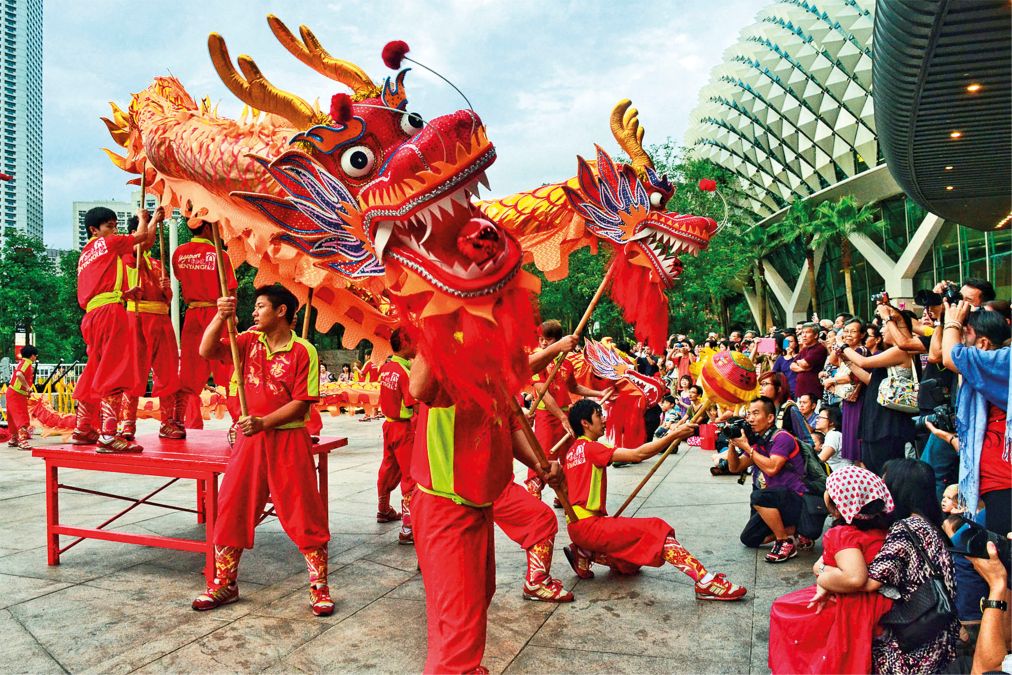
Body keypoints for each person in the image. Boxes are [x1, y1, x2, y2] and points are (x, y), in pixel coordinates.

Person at [191, 285, 332, 616]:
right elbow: (206, 350)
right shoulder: (247, 340)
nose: (254, 312)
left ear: (281, 311)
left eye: (261, 306)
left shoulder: (304, 351)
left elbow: (301, 405)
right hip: (250, 440)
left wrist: (265, 422)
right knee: (232, 506)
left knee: (303, 510)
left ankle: (319, 588)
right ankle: (224, 583)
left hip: (287, 440)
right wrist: (220, 315)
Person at [561, 399, 747, 601]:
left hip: (576, 526)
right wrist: (673, 434)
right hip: (590, 525)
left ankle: (585, 552)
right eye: (599, 415)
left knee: (629, 564)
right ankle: (705, 581)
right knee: (656, 529)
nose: (604, 419)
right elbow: (637, 454)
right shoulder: (592, 448)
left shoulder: (572, 451)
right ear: (585, 423)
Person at [768, 466, 895, 674]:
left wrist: (822, 578)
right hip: (879, 600)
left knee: (783, 609)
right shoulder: (881, 528)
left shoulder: (843, 534)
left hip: (854, 604)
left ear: (837, 506)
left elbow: (854, 578)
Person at [72, 206, 156, 453]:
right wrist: (144, 219)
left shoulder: (85, 253)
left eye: (115, 226)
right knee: (116, 371)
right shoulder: (108, 244)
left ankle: (83, 428)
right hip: (110, 314)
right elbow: (142, 239)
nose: (114, 230)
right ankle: (108, 435)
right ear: (93, 229)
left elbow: (99, 286)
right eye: (109, 226)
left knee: (95, 370)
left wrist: (124, 293)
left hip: (92, 316)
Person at [864, 458, 959, 673]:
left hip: (914, 643)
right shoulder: (931, 525)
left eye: (884, 485)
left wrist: (824, 571)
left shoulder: (906, 528)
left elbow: (869, 581)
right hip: (939, 634)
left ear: (898, 488)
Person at [940, 301, 1010, 541]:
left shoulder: (1004, 360)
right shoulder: (994, 364)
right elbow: (940, 353)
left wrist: (952, 322)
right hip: (997, 479)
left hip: (1005, 479)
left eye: (965, 335)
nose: (959, 340)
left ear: (983, 343)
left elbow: (950, 357)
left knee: (1003, 552)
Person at [526, 320, 609, 500]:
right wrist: (561, 417)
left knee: (568, 455)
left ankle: (563, 494)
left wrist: (599, 392)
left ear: (557, 340)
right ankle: (534, 496)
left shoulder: (567, 363)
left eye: (546, 340)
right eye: (540, 339)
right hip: (546, 417)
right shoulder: (538, 361)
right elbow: (542, 392)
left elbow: (574, 388)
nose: (542, 343)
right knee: (542, 456)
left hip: (565, 415)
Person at [119, 216, 184, 441]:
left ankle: (167, 423)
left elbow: (167, 299)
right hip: (137, 317)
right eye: (144, 229)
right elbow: (140, 244)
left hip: (161, 319)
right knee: (135, 372)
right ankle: (128, 423)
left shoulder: (157, 263)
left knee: (167, 371)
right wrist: (153, 220)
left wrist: (166, 290)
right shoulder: (128, 255)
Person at [728, 397, 813, 562]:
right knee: (749, 539)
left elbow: (772, 468)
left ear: (770, 418)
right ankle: (792, 531)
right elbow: (735, 467)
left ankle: (784, 541)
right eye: (748, 414)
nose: (750, 418)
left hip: (798, 499)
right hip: (776, 501)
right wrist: (733, 443)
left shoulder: (782, 437)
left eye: (756, 413)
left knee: (758, 497)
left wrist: (746, 447)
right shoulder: (759, 442)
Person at [172, 220, 238, 429]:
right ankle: (239, 421)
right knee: (230, 368)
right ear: (209, 228)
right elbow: (231, 289)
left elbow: (180, 277)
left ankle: (190, 424)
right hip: (217, 313)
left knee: (190, 372)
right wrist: (232, 315)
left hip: (192, 315)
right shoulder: (220, 255)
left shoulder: (179, 253)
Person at [840, 306, 918, 475]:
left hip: (889, 422)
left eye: (885, 326)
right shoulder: (889, 352)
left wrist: (843, 346)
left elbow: (864, 363)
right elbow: (870, 379)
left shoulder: (901, 351)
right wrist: (848, 362)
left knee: (886, 470)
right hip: (875, 419)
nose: (882, 330)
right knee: (872, 466)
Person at [376, 328, 417, 544]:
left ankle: (383, 509)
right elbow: (415, 405)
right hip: (404, 428)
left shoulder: (386, 368)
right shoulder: (406, 373)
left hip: (388, 426)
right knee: (410, 475)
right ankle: (408, 529)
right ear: (405, 343)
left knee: (388, 468)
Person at [821, 317, 866, 467]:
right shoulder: (847, 350)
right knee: (852, 445)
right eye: (846, 331)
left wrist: (833, 381)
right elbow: (833, 361)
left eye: (853, 331)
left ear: (862, 334)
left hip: (859, 400)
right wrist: (838, 342)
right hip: (848, 400)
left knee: (858, 446)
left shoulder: (861, 351)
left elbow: (853, 376)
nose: (849, 334)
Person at [5, 345, 38, 450]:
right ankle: (22, 441)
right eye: (35, 355)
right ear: (32, 356)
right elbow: (19, 374)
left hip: (12, 392)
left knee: (12, 416)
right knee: (21, 416)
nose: (36, 357)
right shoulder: (26, 363)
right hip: (16, 394)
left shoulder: (22, 362)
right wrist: (28, 387)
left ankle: (14, 439)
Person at [790, 323, 828, 401]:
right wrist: (803, 369)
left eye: (807, 332)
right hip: (800, 390)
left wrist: (800, 363)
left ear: (816, 335)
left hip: (812, 391)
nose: (804, 335)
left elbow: (805, 363)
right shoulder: (804, 349)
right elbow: (792, 366)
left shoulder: (819, 348)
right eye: (802, 333)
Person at [814, 405, 847, 470]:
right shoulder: (833, 434)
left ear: (831, 422)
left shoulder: (833, 435)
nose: (817, 420)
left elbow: (821, 459)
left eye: (820, 418)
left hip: (842, 476)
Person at [772, 332, 798, 398]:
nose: (788, 343)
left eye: (791, 341)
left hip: (796, 390)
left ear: (796, 344)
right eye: (786, 342)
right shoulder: (780, 359)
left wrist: (791, 355)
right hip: (785, 391)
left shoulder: (799, 356)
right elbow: (774, 373)